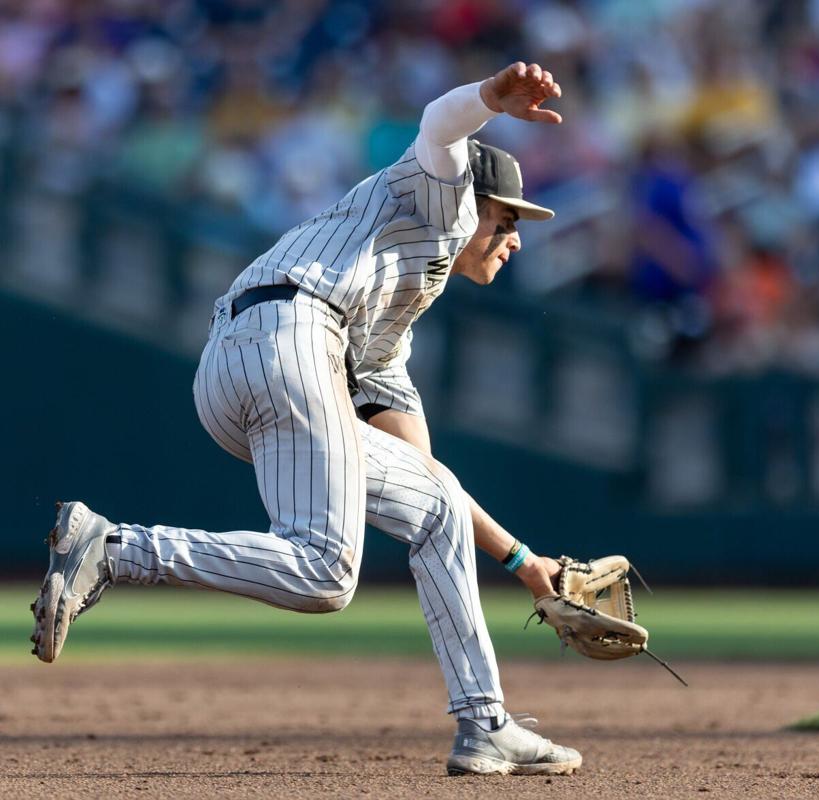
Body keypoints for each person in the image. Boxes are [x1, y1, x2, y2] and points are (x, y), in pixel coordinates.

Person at [30, 61, 583, 777]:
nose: (513, 238)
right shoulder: (442, 205)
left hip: (242, 365)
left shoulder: (394, 314)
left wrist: (523, 561)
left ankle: (486, 724)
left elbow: (427, 473)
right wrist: (488, 100)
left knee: (436, 508)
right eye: (507, 219)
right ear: (474, 202)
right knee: (325, 573)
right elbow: (442, 125)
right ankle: (117, 549)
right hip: (292, 333)